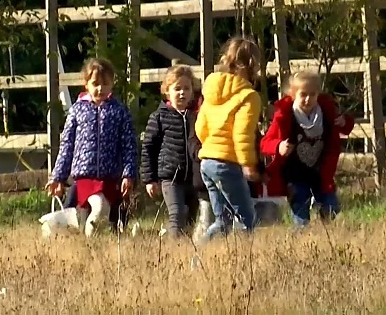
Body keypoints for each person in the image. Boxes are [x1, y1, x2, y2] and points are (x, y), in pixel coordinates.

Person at [45, 58, 138, 237]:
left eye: (105, 83)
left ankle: (99, 247)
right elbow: (67, 146)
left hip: (110, 178)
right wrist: (58, 177)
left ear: (112, 84)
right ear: (86, 84)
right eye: (95, 83)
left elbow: (129, 146)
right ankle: (83, 248)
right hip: (83, 178)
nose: (100, 89)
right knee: (86, 216)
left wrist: (128, 174)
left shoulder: (119, 111)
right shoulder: (77, 110)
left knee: (105, 218)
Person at [259, 70, 354, 226]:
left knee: (331, 206)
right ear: (293, 94)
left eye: (313, 94)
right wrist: (279, 146)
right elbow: (265, 143)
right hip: (294, 173)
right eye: (303, 94)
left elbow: (345, 125)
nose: (308, 99)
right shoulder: (285, 116)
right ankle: (302, 238)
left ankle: (326, 229)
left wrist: (345, 122)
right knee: (300, 210)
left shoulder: (326, 111)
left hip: (320, 171)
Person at [194, 36, 263, 242]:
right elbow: (242, 134)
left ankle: (200, 258)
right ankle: (243, 261)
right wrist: (248, 164)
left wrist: (212, 147)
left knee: (222, 220)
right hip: (228, 163)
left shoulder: (211, 90)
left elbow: (200, 127)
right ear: (252, 66)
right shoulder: (249, 96)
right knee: (246, 219)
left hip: (207, 162)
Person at [141, 65, 202, 237]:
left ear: (192, 90)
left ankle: (186, 252)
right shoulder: (159, 117)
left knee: (191, 217)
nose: (182, 93)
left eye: (186, 88)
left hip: (193, 177)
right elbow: (149, 148)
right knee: (177, 213)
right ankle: (174, 250)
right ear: (167, 91)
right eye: (177, 89)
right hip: (170, 177)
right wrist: (149, 179)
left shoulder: (196, 116)